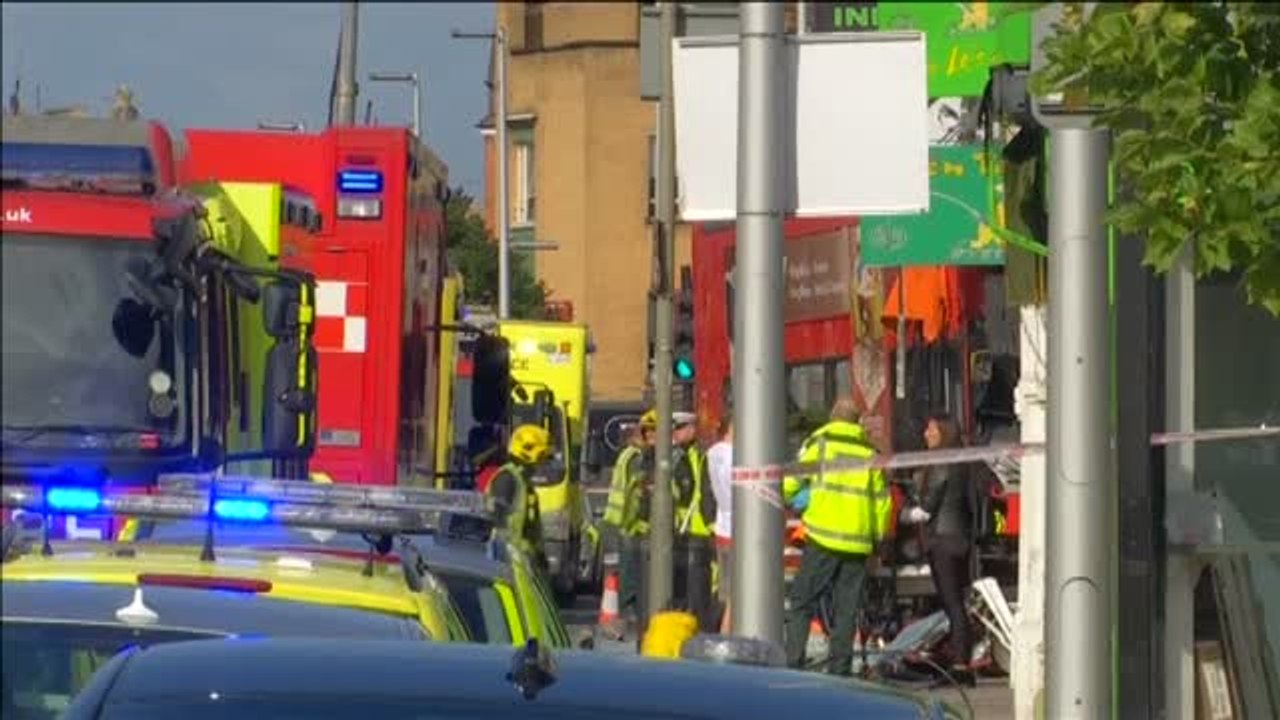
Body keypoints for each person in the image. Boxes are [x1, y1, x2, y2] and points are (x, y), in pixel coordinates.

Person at [782, 397, 891, 675]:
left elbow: (792, 479)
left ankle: (794, 662)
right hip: (857, 542)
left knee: (801, 600)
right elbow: (881, 501)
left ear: (832, 417)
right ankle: (840, 670)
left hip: (823, 537)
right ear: (856, 423)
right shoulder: (869, 451)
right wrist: (877, 540)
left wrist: (791, 498)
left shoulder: (820, 443)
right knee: (847, 610)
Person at [900, 413, 978, 685]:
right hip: (960, 538)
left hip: (943, 540)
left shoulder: (943, 461)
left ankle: (959, 666)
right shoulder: (962, 459)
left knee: (952, 604)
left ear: (943, 432)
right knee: (957, 603)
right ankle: (961, 661)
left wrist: (903, 515)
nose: (926, 434)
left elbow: (928, 508)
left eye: (931, 430)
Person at [671, 411, 716, 629]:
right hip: (686, 530)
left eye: (679, 428)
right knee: (687, 586)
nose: (675, 433)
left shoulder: (696, 456)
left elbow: (696, 492)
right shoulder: (682, 455)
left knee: (698, 588)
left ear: (691, 429)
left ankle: (701, 627)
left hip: (699, 531)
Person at [612, 411, 656, 632]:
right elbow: (637, 494)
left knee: (631, 576)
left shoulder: (632, 454)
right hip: (632, 528)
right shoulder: (638, 458)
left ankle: (630, 619)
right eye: (654, 431)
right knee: (632, 579)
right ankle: (629, 620)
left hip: (627, 526)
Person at [486, 424, 551, 570]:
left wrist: (540, 556)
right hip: (507, 558)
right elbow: (496, 521)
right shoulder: (507, 479)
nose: (542, 464)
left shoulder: (523, 482)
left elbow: (531, 527)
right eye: (541, 457)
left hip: (521, 559)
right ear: (528, 454)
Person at [706, 416, 734, 633]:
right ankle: (725, 634)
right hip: (736, 528)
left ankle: (720, 630)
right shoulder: (732, 454)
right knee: (736, 593)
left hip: (722, 526)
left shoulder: (713, 453)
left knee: (725, 590)